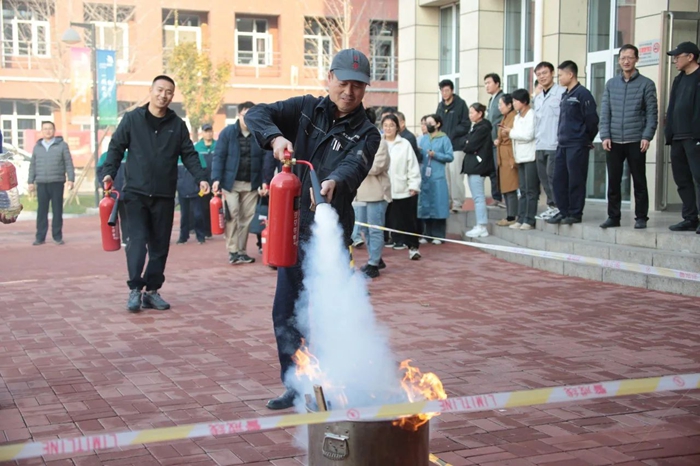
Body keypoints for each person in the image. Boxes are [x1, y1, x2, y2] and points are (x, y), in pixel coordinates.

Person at [244, 48, 380, 410]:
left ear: (366, 89)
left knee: (331, 310)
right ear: (329, 78)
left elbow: (355, 165)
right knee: (285, 309)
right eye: (343, 82)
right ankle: (295, 382)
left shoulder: (367, 133)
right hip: (292, 228)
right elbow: (256, 114)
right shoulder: (304, 108)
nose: (349, 91)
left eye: (358, 85)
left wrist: (334, 180)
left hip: (330, 233)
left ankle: (338, 384)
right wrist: (275, 138)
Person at [103, 75, 210, 313]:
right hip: (136, 194)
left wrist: (201, 177)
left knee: (160, 245)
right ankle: (134, 289)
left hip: (163, 195)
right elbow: (116, 147)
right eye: (160, 90)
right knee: (137, 242)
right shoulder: (132, 119)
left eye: (169, 92)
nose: (164, 95)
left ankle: (152, 291)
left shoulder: (177, 125)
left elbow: (189, 154)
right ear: (151, 91)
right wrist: (109, 172)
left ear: (173, 96)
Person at [599, 44, 658, 230]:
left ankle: (641, 217)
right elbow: (605, 112)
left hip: (636, 140)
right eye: (623, 57)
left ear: (636, 59)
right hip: (614, 141)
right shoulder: (611, 84)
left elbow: (652, 114)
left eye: (630, 57)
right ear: (618, 60)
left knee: (639, 181)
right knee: (614, 182)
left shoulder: (646, 84)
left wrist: (647, 136)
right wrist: (605, 135)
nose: (626, 61)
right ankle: (613, 217)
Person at [211, 102, 264, 264]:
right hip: (230, 183)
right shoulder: (228, 133)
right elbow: (219, 156)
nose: (248, 119)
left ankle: (241, 251)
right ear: (239, 115)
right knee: (232, 214)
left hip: (251, 183)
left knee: (246, 218)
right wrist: (216, 179)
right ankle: (232, 250)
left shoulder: (259, 134)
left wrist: (265, 182)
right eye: (245, 115)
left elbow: (266, 160)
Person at [547, 61, 599, 225]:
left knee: (576, 179)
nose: (559, 78)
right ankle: (563, 211)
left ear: (570, 75)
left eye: (561, 74)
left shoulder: (583, 94)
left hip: (577, 144)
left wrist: (585, 139)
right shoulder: (566, 94)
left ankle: (575, 213)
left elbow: (592, 121)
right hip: (562, 144)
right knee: (559, 179)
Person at [664, 41, 700, 233]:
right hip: (678, 137)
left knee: (699, 178)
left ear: (690, 57)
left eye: (678, 56)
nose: (675, 60)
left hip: (695, 137)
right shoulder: (678, 79)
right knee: (682, 179)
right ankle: (690, 217)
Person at [354, 116, 391, 278]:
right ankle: (375, 257)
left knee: (375, 229)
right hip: (360, 192)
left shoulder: (381, 142)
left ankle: (374, 263)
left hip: (376, 191)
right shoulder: (356, 141)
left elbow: (376, 167)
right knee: (364, 229)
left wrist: (356, 164)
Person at [27, 121, 75, 246]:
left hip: (57, 182)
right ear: (41, 131)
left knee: (57, 210)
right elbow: (33, 165)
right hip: (41, 182)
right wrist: (30, 181)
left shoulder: (62, 145)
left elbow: (68, 163)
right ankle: (40, 237)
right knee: (41, 211)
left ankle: (57, 236)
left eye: (50, 129)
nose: (47, 131)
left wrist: (71, 179)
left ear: (54, 131)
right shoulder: (37, 147)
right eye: (45, 129)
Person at [383, 113, 422, 259]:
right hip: (384, 190)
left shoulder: (404, 144)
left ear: (397, 127)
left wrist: (413, 184)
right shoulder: (379, 143)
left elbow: (412, 166)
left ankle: (413, 248)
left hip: (403, 189)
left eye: (391, 125)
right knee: (386, 220)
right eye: (385, 125)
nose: (388, 128)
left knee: (408, 220)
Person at [533, 62, 565, 220]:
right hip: (540, 144)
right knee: (544, 178)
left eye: (545, 73)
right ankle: (552, 206)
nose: (542, 76)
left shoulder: (562, 93)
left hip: (555, 143)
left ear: (552, 73)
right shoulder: (538, 98)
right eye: (539, 74)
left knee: (553, 177)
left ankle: (560, 207)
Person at [417, 114, 453, 242]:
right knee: (425, 205)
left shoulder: (444, 139)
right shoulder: (424, 139)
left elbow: (450, 156)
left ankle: (439, 235)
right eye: (426, 122)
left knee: (438, 205)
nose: (428, 125)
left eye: (431, 123)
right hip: (425, 177)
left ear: (437, 124)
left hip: (438, 177)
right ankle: (427, 234)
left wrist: (436, 154)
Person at [436, 79, 471, 212]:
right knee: (445, 176)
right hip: (443, 148)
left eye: (447, 90)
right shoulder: (440, 106)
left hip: (457, 146)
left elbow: (466, 124)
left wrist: (453, 133)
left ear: (452, 90)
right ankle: (448, 202)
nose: (444, 93)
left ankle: (457, 203)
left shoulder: (460, 105)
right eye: (442, 91)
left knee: (456, 175)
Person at [506, 89, 538, 230]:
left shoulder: (532, 115)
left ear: (524, 102)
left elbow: (528, 135)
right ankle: (521, 218)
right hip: (520, 156)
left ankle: (529, 219)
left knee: (531, 190)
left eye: (515, 101)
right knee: (523, 189)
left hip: (530, 156)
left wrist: (510, 132)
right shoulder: (518, 117)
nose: (513, 104)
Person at [462, 103, 494, 238]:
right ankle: (479, 224)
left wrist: (468, 143)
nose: (470, 115)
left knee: (478, 197)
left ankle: (482, 225)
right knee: (477, 197)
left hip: (478, 166)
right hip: (473, 166)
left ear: (480, 113)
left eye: (472, 112)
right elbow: (467, 143)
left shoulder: (482, 128)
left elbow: (470, 145)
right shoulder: (475, 127)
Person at [494, 94, 518, 226]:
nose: (499, 107)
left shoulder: (514, 117)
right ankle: (510, 214)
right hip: (502, 155)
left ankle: (512, 215)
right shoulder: (505, 117)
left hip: (509, 155)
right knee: (506, 187)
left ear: (509, 105)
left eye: (501, 104)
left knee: (511, 186)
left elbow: (510, 134)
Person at [97, 150, 129, 244]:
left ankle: (126, 238)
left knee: (126, 216)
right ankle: (110, 240)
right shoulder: (105, 156)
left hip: (125, 192)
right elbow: (99, 172)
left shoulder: (131, 154)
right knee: (110, 218)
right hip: (110, 193)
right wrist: (105, 185)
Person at [176, 155, 207, 245]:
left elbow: (203, 172)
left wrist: (201, 190)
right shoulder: (176, 157)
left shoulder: (197, 156)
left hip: (196, 191)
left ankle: (201, 236)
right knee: (184, 215)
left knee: (198, 214)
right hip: (182, 191)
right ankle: (183, 237)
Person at [485, 73, 505, 208]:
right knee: (492, 170)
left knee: (500, 170)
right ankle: (496, 197)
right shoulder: (491, 100)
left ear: (497, 83)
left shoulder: (502, 99)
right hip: (490, 140)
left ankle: (503, 197)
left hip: (499, 140)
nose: (487, 86)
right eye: (485, 83)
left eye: (489, 82)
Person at [195, 124, 217, 237]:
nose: (208, 134)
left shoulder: (218, 145)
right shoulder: (197, 147)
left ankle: (219, 227)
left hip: (216, 180)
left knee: (220, 205)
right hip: (203, 181)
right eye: (206, 131)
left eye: (210, 131)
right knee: (203, 206)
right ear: (202, 133)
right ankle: (206, 230)